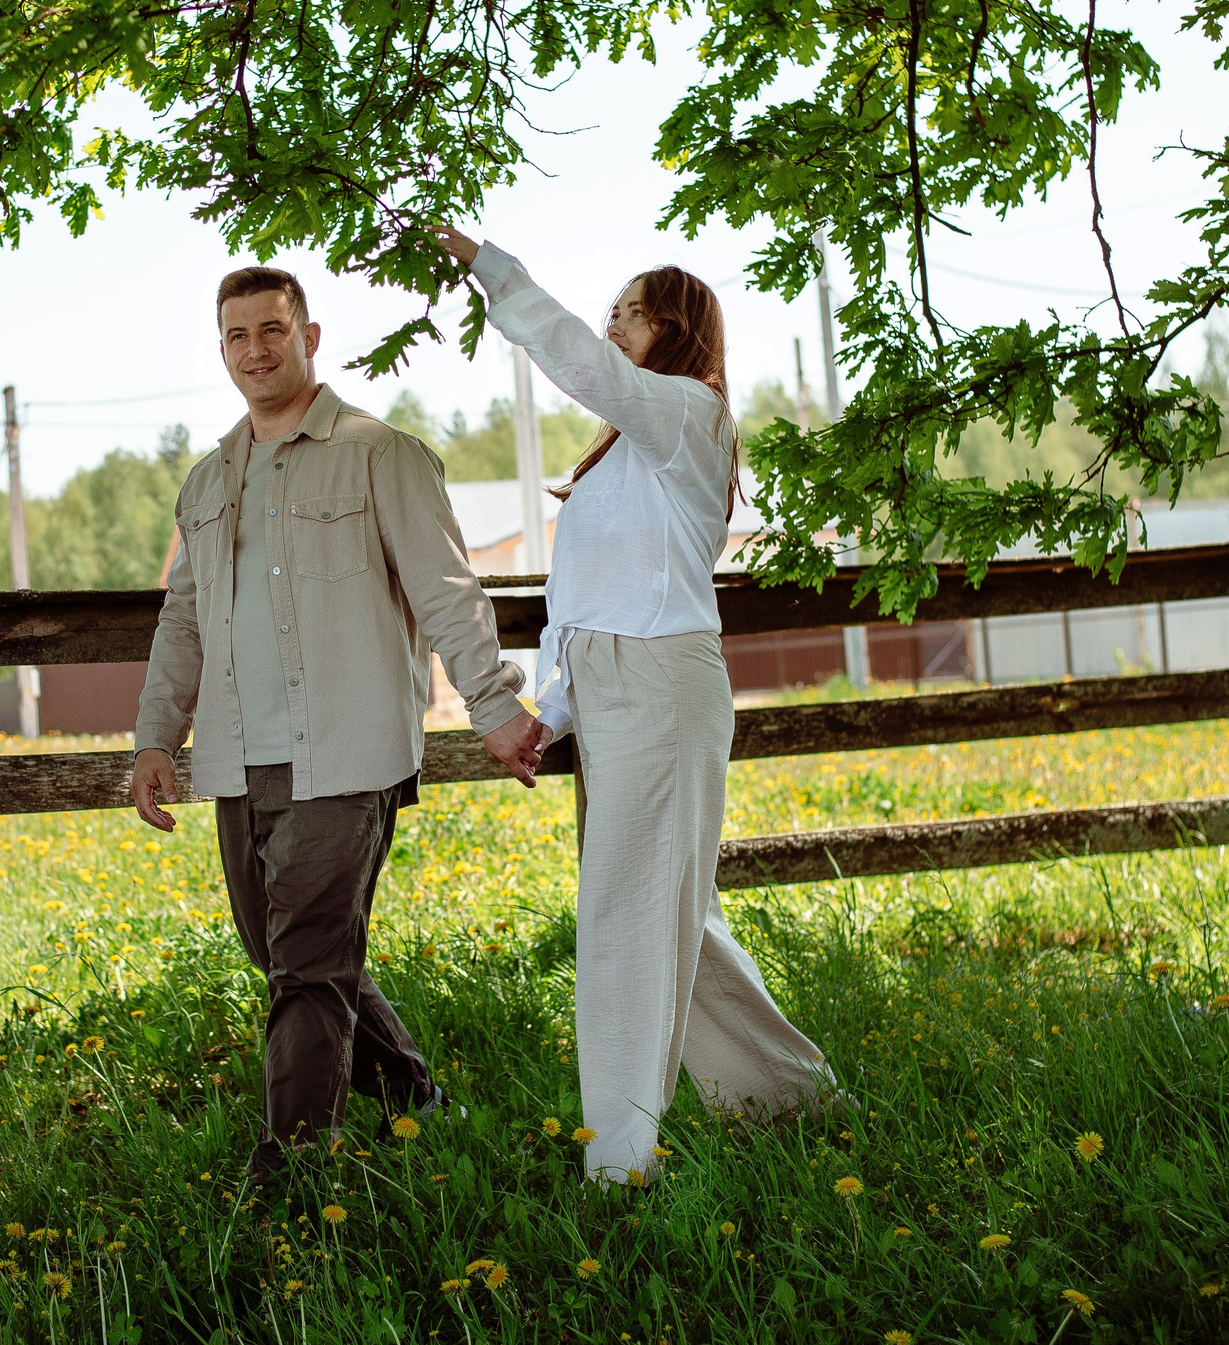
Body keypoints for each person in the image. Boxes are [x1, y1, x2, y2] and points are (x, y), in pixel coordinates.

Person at [131, 263, 551, 1193]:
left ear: (310, 337)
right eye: (237, 335)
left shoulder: (379, 454)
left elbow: (448, 594)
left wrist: (492, 708)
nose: (255, 350)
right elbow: (183, 620)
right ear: (221, 349)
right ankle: (415, 1098)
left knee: (308, 965)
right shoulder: (206, 483)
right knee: (289, 955)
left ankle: (293, 1175)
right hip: (239, 760)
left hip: (347, 753)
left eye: (272, 330)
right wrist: (157, 737)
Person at [430, 224, 835, 1188]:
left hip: (662, 683)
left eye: (631, 313)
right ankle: (791, 1098)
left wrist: (494, 269)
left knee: (625, 912)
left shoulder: (689, 414)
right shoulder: (626, 450)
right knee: (674, 910)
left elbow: (584, 366)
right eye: (610, 312)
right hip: (618, 688)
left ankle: (620, 1166)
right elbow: (582, 599)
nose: (612, 326)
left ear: (676, 328)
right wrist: (553, 708)